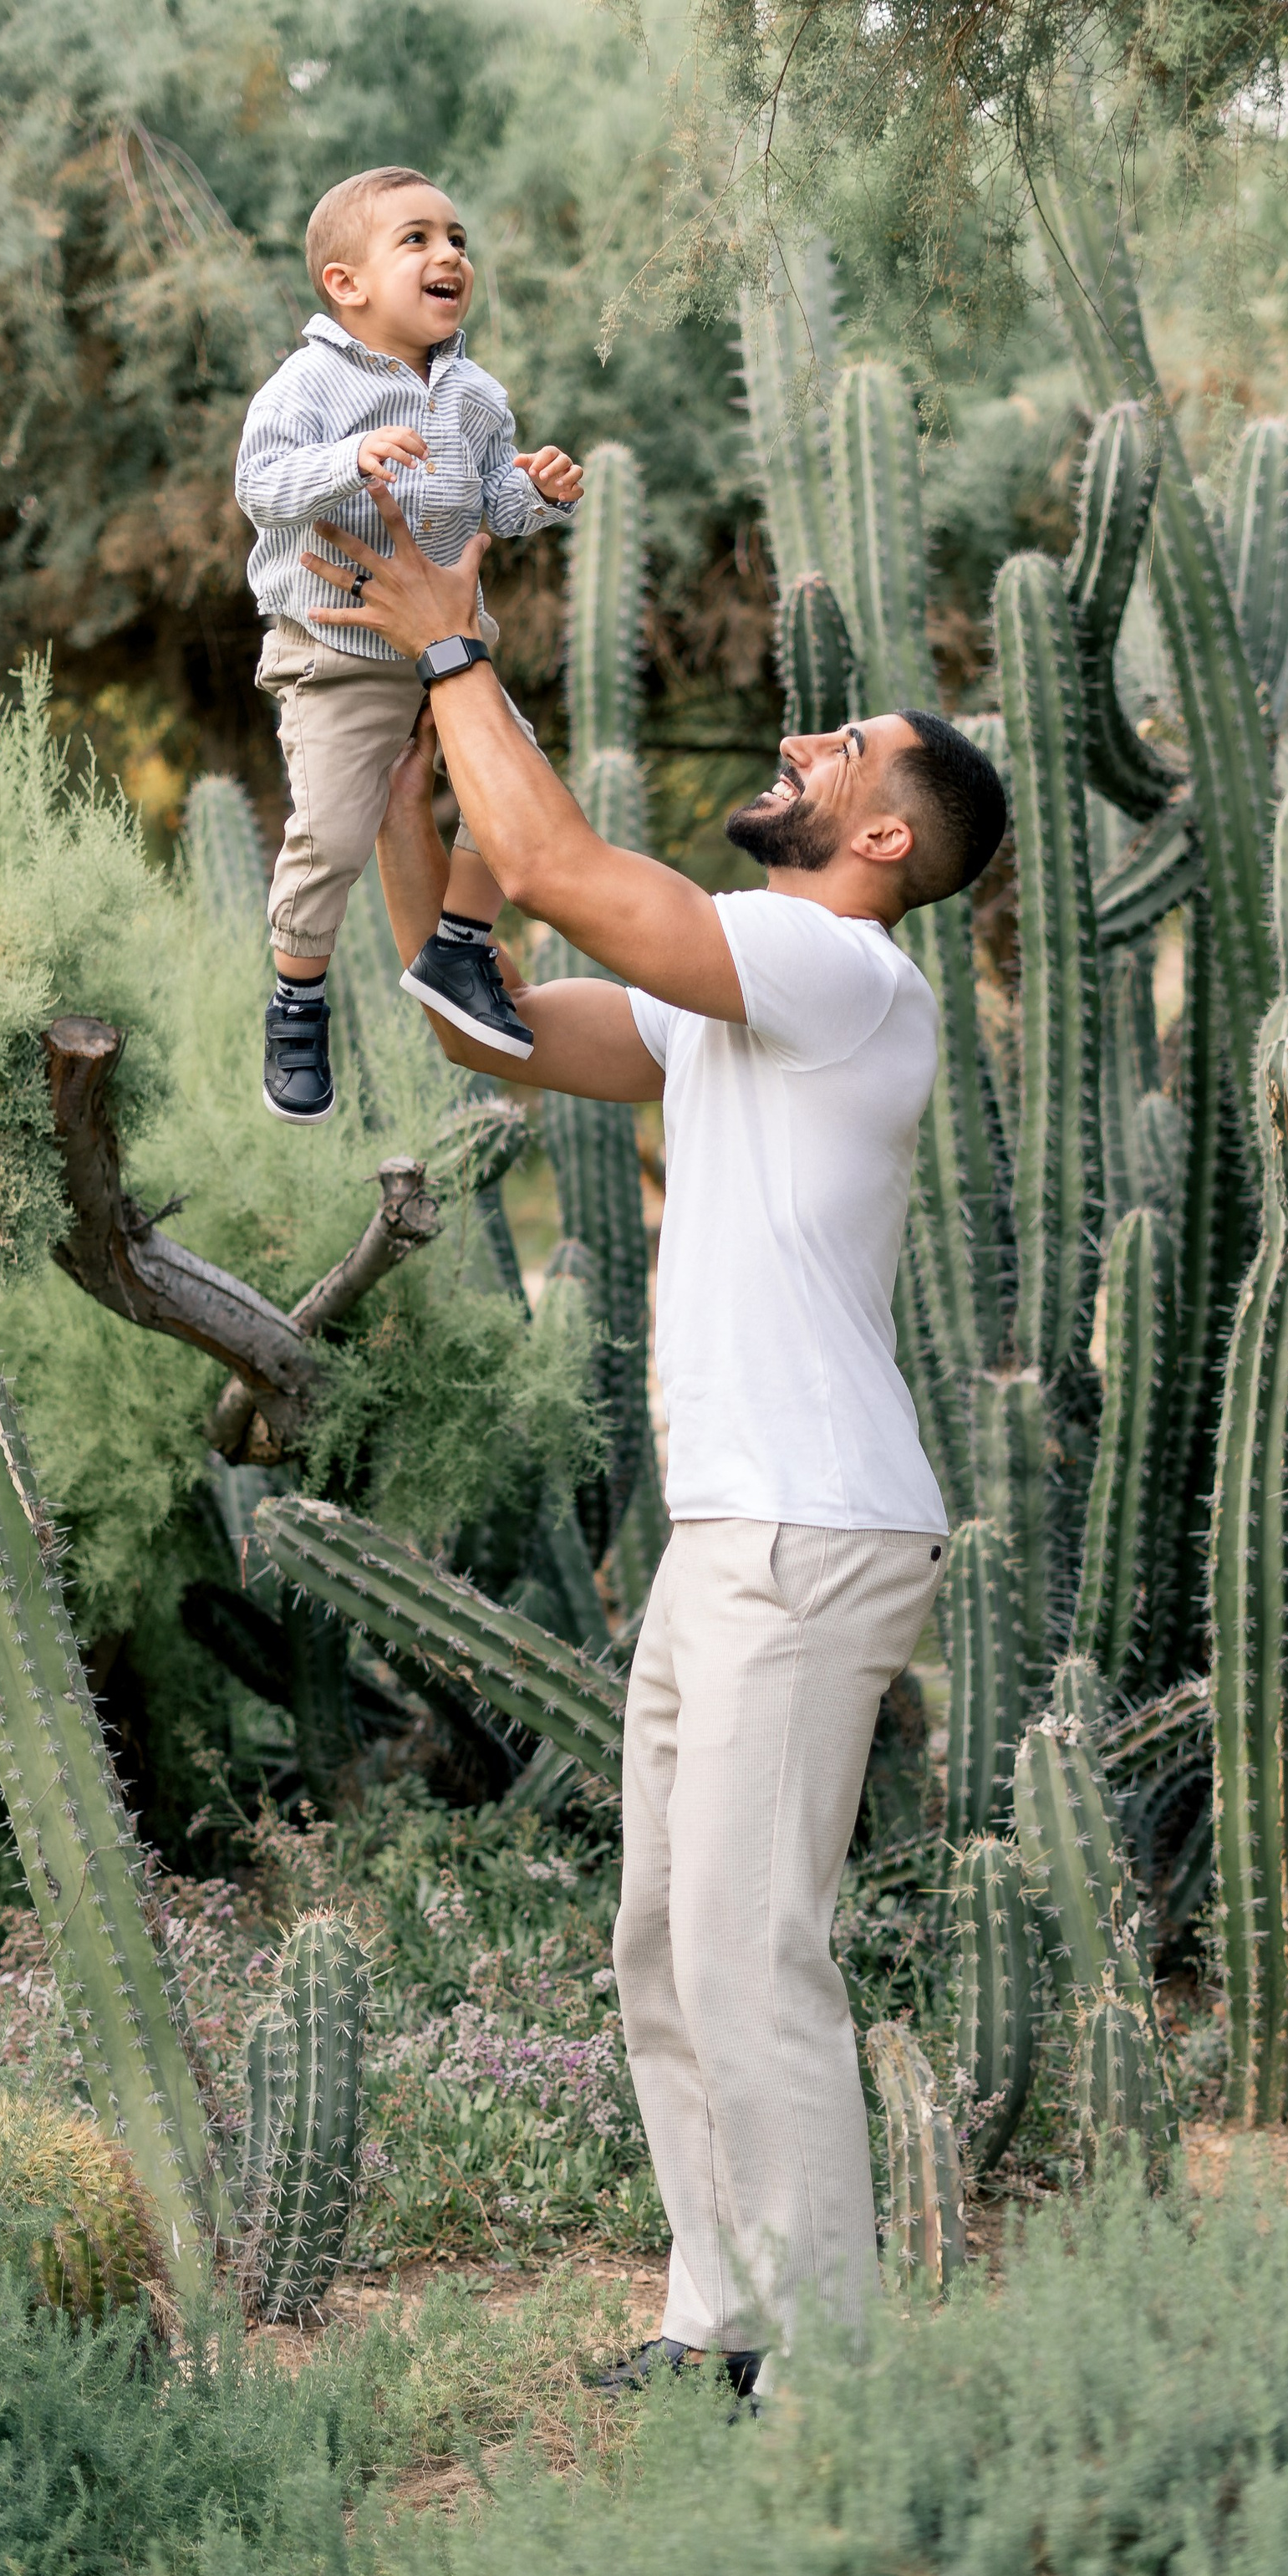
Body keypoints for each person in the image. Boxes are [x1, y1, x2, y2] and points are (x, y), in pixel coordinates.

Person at [312, 481, 1008, 2398]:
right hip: (731, 1536)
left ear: (874, 836)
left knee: (749, 1951)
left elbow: (545, 863)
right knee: (662, 1948)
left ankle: (831, 2375)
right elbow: (491, 1022)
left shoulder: (832, 972)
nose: (794, 740)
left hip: (807, 1534)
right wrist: (400, 812)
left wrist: (455, 636)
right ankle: (719, 2314)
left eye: (835, 745)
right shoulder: (731, 1006)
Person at [233, 165, 583, 1125]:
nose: (449, 255)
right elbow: (260, 487)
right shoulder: (310, 384)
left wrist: (541, 494)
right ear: (346, 285)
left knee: (519, 790)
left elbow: (493, 508)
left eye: (458, 239)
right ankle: (298, 1005)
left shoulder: (474, 395)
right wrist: (348, 457)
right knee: (336, 833)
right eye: (418, 239)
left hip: (453, 650)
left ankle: (459, 947)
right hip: (340, 651)